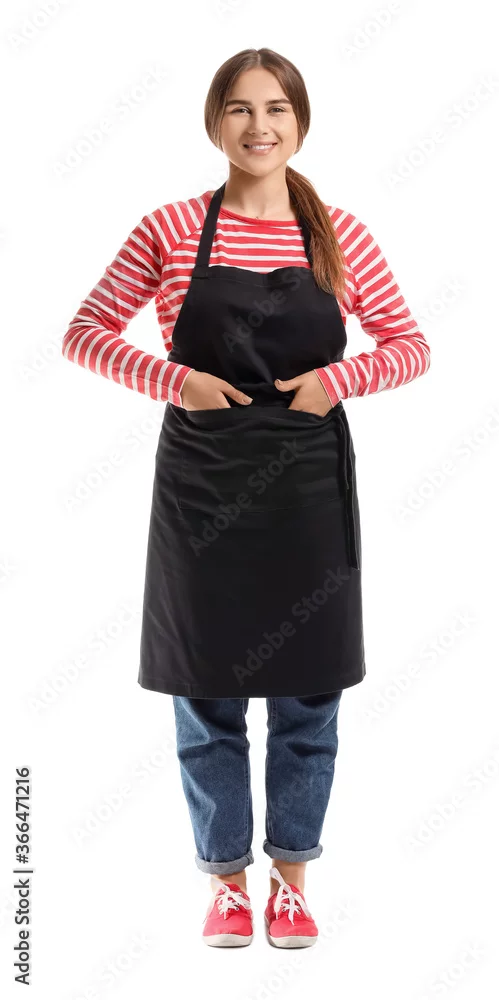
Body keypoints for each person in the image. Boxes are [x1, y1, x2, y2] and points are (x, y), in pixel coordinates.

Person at [62, 47, 430, 948]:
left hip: (304, 488)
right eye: (238, 108)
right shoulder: (170, 228)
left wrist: (338, 380)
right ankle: (225, 881)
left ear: (300, 122)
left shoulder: (338, 235)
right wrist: (175, 380)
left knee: (308, 694)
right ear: (213, 121)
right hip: (202, 488)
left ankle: (291, 882)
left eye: (275, 109)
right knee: (205, 692)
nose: (258, 126)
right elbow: (83, 332)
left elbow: (409, 344)